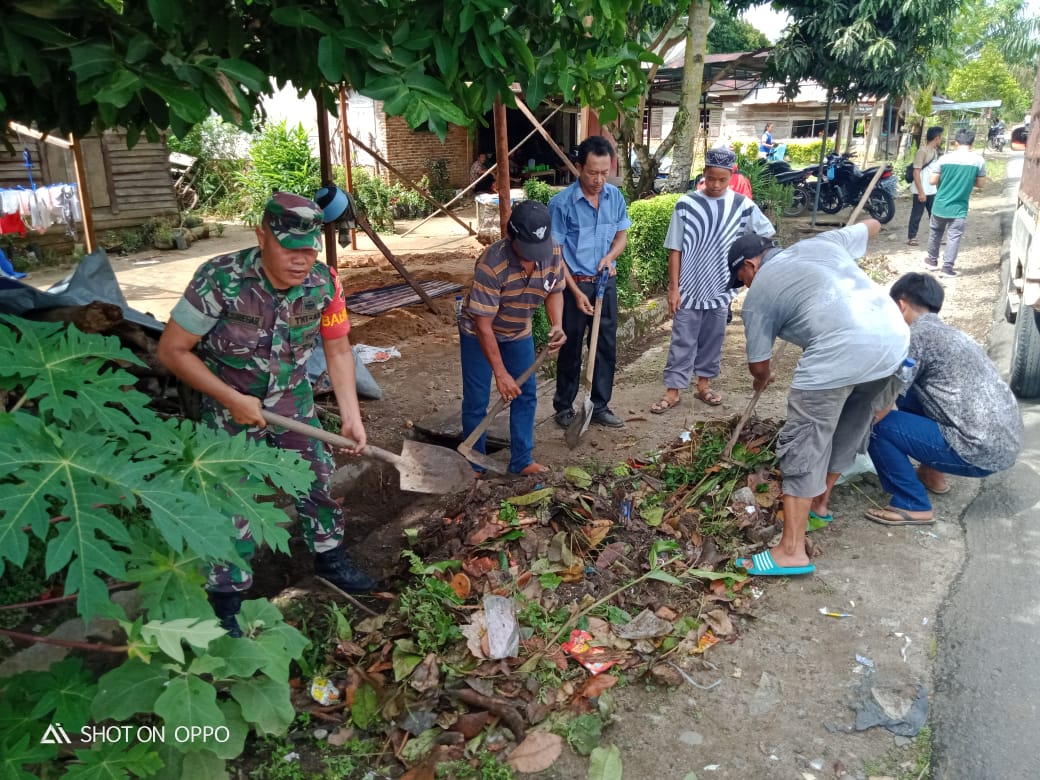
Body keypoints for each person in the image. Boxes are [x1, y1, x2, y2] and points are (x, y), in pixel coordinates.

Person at [156, 192, 377, 636]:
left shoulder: (323, 283)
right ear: (262, 236)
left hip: (291, 401)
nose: (301, 259)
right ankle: (226, 600)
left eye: (309, 248)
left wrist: (352, 414)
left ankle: (330, 558)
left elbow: (337, 350)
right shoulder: (220, 280)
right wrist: (231, 398)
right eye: (289, 248)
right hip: (227, 407)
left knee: (316, 478)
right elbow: (173, 351)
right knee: (230, 503)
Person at [727, 221, 909, 576]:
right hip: (893, 341)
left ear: (750, 265)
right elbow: (873, 225)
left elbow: (758, 365)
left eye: (741, 279)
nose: (744, 286)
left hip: (842, 348)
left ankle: (791, 551)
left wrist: (763, 380)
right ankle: (820, 506)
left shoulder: (759, 293)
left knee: (805, 442)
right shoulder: (824, 243)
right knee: (850, 423)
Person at [865, 273, 1022, 525]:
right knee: (911, 396)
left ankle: (912, 504)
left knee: (875, 427)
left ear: (900, 305)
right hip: (1004, 444)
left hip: (978, 450)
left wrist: (849, 429)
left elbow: (882, 403)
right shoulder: (949, 334)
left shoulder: (914, 337)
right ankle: (932, 476)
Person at [651, 147, 774, 414]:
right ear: (703, 174)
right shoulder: (686, 205)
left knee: (713, 339)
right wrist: (674, 288)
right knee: (682, 339)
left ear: (731, 175)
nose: (716, 184)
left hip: (721, 288)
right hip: (689, 287)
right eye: (711, 178)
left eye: (722, 179)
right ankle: (673, 390)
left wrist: (747, 265)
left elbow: (766, 237)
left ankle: (703, 385)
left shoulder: (743, 206)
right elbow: (675, 249)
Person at [459, 201, 566, 475]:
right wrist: (501, 373)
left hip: (519, 331)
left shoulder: (552, 250)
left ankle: (522, 460)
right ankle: (475, 464)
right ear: (511, 236)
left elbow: (554, 290)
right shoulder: (491, 264)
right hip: (478, 333)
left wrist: (557, 324)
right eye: (528, 250)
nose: (533, 258)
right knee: (477, 400)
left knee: (526, 395)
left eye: (538, 250)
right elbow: (484, 325)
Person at [549, 135, 631, 429]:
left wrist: (610, 256)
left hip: (605, 283)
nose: (598, 180)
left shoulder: (615, 198)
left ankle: (599, 405)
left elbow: (621, 235)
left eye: (604, 172)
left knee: (606, 345)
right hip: (574, 285)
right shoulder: (562, 204)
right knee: (570, 347)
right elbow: (556, 255)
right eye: (592, 172)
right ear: (578, 167)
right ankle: (563, 407)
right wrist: (574, 290)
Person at [924, 128, 986, 278]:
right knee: (954, 236)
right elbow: (981, 184)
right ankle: (947, 268)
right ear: (972, 143)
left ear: (956, 143)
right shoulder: (978, 161)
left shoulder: (944, 159)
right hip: (959, 208)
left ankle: (931, 261)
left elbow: (932, 181)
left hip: (940, 204)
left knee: (935, 232)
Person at [907, 126, 943, 247]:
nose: (941, 140)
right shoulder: (922, 152)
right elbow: (916, 172)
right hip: (921, 188)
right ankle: (912, 237)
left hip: (931, 189)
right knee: (917, 214)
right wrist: (921, 192)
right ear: (937, 138)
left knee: (934, 214)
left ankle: (936, 236)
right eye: (940, 137)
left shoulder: (934, 152)